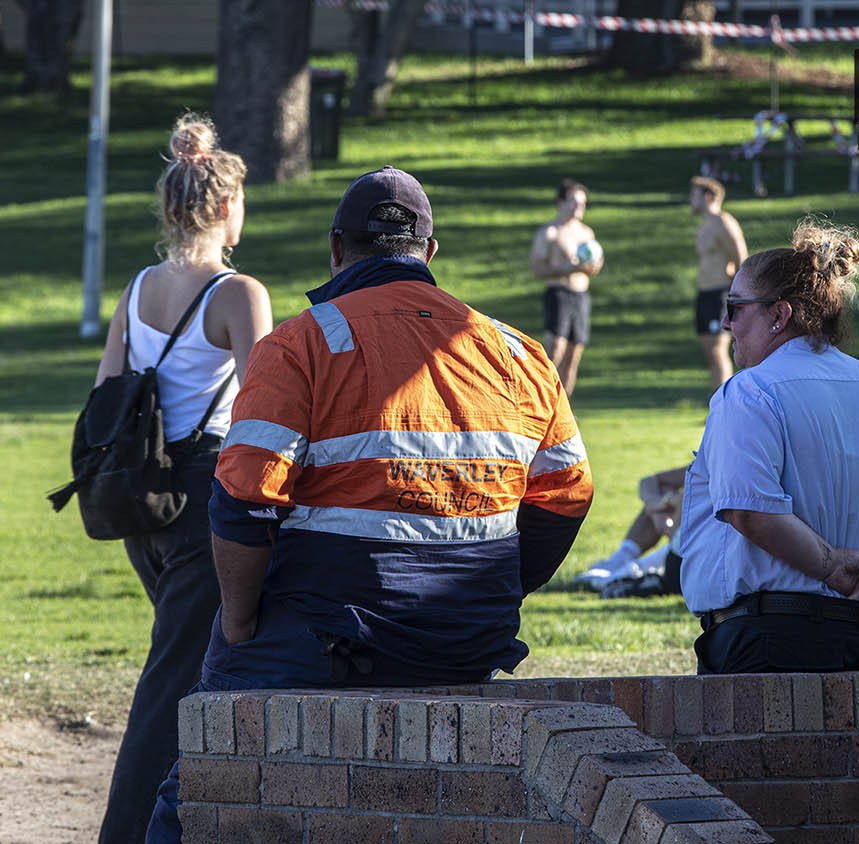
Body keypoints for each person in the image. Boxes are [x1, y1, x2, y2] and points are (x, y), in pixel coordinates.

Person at [145, 166, 593, 842]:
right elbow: (568, 495)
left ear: (335, 248)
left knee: (193, 801)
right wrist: (491, 590)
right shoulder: (518, 353)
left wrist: (238, 622)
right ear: (430, 254)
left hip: (325, 639)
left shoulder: (300, 345)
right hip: (466, 637)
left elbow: (242, 501)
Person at [94, 115, 272, 844]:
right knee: (174, 682)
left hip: (141, 497)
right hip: (205, 494)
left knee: (191, 668)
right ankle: (130, 833)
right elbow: (269, 404)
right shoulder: (238, 292)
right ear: (227, 207)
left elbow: (107, 394)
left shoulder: (135, 289)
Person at [677, 220, 859, 674]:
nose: (726, 322)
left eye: (736, 307)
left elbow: (749, 509)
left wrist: (831, 568)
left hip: (770, 641)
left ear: (778, 315)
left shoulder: (750, 392)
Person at [530, 178, 603, 395]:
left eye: (582, 203)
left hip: (581, 296)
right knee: (555, 351)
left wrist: (593, 267)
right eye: (573, 201)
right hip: (559, 294)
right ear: (560, 203)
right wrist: (567, 269)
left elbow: (594, 265)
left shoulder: (587, 233)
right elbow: (537, 270)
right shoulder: (550, 233)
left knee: (573, 356)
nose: (578, 207)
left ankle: (566, 410)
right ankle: (545, 403)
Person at [574, 465, 688, 594]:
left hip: (695, 551)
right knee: (663, 492)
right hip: (679, 538)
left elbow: (689, 499)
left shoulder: (714, 465)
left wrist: (670, 505)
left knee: (686, 499)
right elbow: (649, 481)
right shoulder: (709, 459)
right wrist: (662, 504)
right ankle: (620, 559)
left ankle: (635, 571)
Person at [689, 176, 748, 391]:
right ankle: (716, 406)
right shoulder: (705, 227)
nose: (690, 200)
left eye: (694, 195)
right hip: (705, 294)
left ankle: (727, 404)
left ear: (708, 196)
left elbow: (741, 258)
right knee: (710, 355)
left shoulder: (724, 222)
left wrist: (737, 293)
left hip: (720, 294)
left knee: (718, 351)